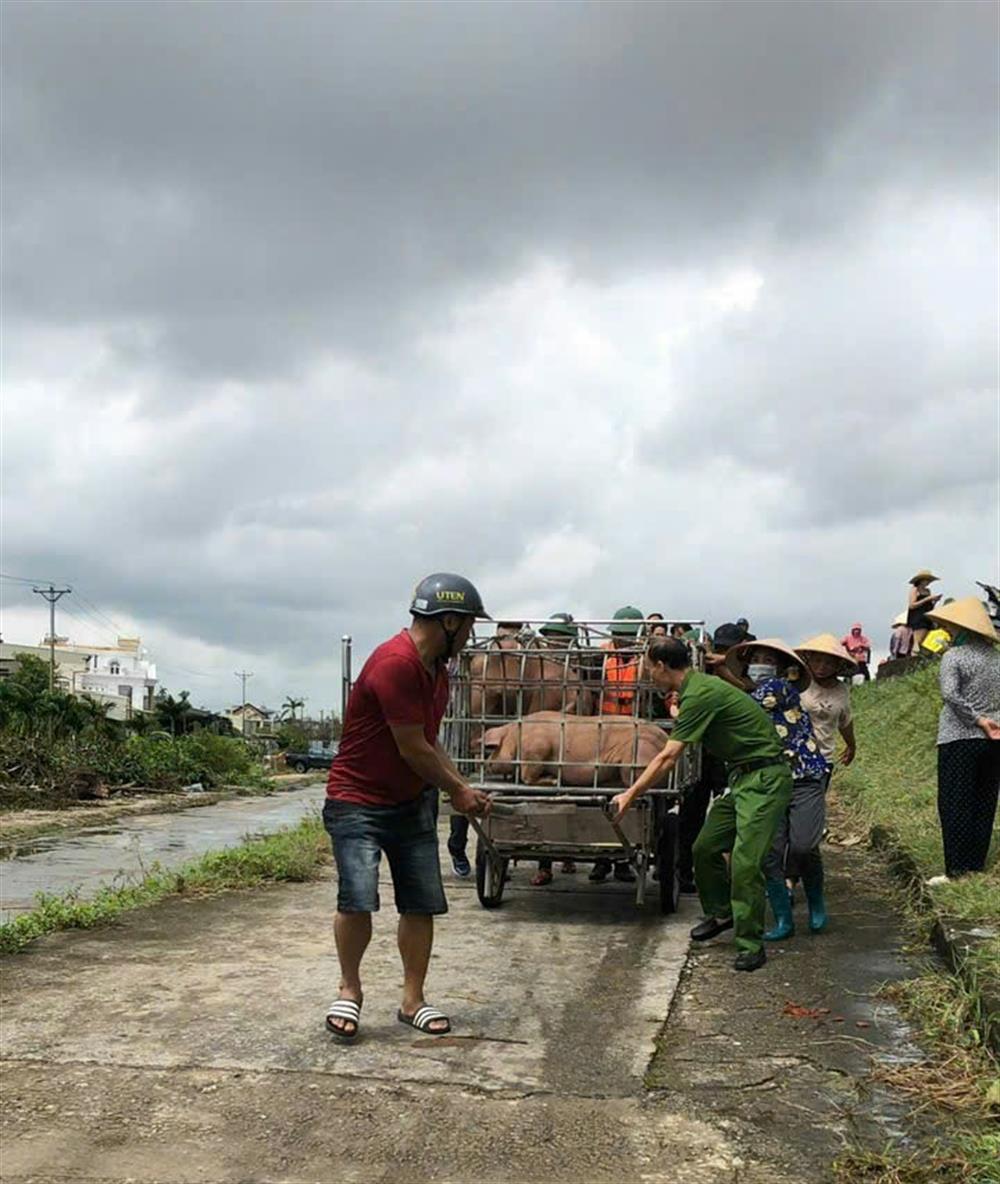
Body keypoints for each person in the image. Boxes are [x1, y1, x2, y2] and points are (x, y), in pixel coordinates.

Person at [322, 573, 492, 1043]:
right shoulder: (396, 663)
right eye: (471, 625)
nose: (472, 635)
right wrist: (457, 792)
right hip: (357, 800)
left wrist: (460, 785)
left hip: (410, 800)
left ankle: (412, 1000)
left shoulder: (438, 670)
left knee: (420, 903)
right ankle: (350, 990)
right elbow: (411, 748)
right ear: (450, 621)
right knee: (357, 897)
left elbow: (429, 743)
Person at [610, 637, 792, 972]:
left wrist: (630, 793)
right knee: (705, 847)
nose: (648, 673)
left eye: (649, 666)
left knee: (745, 863)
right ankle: (721, 912)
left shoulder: (701, 694)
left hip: (765, 780)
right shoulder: (697, 690)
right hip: (741, 777)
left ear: (662, 666)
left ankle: (750, 943)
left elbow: (668, 757)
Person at [723, 639, 830, 942]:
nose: (760, 663)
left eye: (767, 659)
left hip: (803, 775)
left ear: (783, 668)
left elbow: (743, 706)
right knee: (769, 852)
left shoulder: (779, 689)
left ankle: (816, 901)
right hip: (767, 779)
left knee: (803, 845)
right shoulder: (751, 692)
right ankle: (784, 920)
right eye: (755, 658)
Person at [923, 597, 1000, 886]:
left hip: (959, 736)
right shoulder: (997, 658)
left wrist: (977, 719)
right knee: (984, 800)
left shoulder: (953, 657)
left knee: (955, 802)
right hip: (994, 739)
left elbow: (950, 695)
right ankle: (975, 866)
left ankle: (956, 870)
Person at [792, 634, 859, 933]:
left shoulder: (842, 691)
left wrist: (852, 746)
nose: (820, 665)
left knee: (806, 830)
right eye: (816, 659)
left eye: (827, 661)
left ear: (837, 665)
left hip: (821, 765)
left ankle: (804, 885)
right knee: (784, 824)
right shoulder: (796, 681)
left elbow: (845, 721)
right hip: (790, 759)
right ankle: (787, 880)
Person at [675, 622, 741, 893]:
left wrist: (722, 664)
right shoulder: (685, 680)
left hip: (724, 755)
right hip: (695, 754)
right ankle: (684, 873)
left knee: (730, 813)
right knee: (690, 815)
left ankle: (729, 875)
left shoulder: (728, 674)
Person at [592, 606, 644, 883]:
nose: (623, 640)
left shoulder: (646, 660)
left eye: (628, 635)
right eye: (619, 635)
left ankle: (623, 861)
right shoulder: (600, 656)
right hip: (602, 734)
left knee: (626, 801)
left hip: (633, 736)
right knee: (598, 799)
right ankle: (601, 861)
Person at [532, 613, 579, 885]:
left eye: (561, 638)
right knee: (544, 803)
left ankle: (568, 854)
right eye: (552, 638)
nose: (556, 643)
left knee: (572, 801)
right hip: (542, 742)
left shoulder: (582, 668)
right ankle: (545, 864)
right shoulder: (534, 667)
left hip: (575, 743)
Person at [907, 570, 941, 653]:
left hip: (927, 616)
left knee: (925, 641)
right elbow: (911, 605)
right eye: (927, 580)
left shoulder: (928, 591)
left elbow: (929, 606)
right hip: (918, 617)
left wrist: (934, 601)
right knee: (917, 641)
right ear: (921, 580)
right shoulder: (915, 590)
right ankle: (914, 659)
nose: (928, 582)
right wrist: (927, 599)